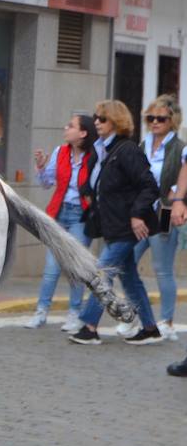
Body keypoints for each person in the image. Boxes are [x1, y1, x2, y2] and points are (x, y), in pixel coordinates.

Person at [68, 99, 162, 345]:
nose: (97, 122)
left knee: (102, 273)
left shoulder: (127, 150)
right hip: (113, 225)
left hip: (127, 226)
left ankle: (89, 326)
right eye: (95, 118)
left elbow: (150, 187)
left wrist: (137, 214)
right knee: (129, 277)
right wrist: (88, 192)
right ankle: (150, 328)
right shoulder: (102, 150)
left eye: (102, 118)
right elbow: (98, 183)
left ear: (116, 122)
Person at [27, 112, 96, 330]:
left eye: (71, 126)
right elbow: (47, 183)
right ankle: (41, 311)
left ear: (83, 133)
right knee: (51, 267)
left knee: (75, 267)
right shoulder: (61, 152)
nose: (66, 129)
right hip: (58, 213)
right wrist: (41, 166)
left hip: (81, 216)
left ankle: (75, 312)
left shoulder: (95, 156)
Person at [137, 96, 183, 339]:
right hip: (142, 212)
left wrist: (176, 196)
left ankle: (166, 320)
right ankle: (139, 316)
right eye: (150, 118)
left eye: (161, 118)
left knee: (162, 268)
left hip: (164, 211)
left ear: (172, 121)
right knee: (126, 261)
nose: (154, 122)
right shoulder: (143, 144)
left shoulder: (180, 147)